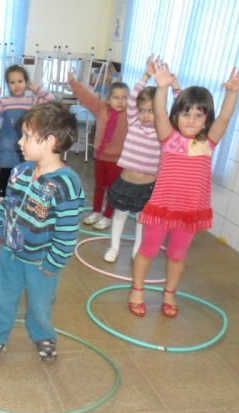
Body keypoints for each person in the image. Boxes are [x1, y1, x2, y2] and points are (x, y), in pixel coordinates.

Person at [128, 64, 239, 318]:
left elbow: (225, 117)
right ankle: (137, 290)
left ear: (206, 119)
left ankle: (170, 293)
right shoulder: (168, 137)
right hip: (163, 207)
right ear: (177, 115)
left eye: (198, 115)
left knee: (177, 254)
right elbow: (160, 113)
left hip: (190, 212)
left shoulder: (208, 142)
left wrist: (232, 93)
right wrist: (162, 87)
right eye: (185, 114)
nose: (191, 120)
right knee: (148, 250)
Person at [0, 101, 85, 363]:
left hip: (41, 260)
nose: (20, 142)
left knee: (40, 305)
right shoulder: (20, 171)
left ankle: (43, 335)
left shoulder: (67, 184)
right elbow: (8, 204)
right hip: (9, 251)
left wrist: (54, 262)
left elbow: (67, 231)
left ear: (50, 141)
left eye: (27, 136)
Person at [104, 56, 180, 263]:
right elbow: (132, 100)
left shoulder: (163, 131)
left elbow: (180, 107)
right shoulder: (134, 123)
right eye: (142, 111)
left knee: (141, 219)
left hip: (148, 187)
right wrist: (146, 75)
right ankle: (114, 247)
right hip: (126, 182)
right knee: (119, 215)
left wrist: (174, 84)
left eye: (151, 111)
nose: (145, 115)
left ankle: (137, 251)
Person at [69, 68, 129, 230]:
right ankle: (96, 212)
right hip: (101, 157)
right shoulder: (101, 108)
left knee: (113, 189)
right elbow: (86, 96)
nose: (120, 101)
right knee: (99, 186)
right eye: (116, 97)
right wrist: (73, 82)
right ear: (108, 99)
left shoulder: (129, 114)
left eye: (124, 98)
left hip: (118, 160)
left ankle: (107, 216)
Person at [0, 65, 55, 199]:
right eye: (12, 82)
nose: (16, 85)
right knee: (6, 172)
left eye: (20, 81)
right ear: (7, 84)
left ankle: (23, 196)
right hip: (8, 144)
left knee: (27, 171)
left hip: (29, 143)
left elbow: (52, 101)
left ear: (26, 82)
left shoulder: (32, 100)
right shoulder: (4, 101)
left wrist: (38, 90)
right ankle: (1, 197)